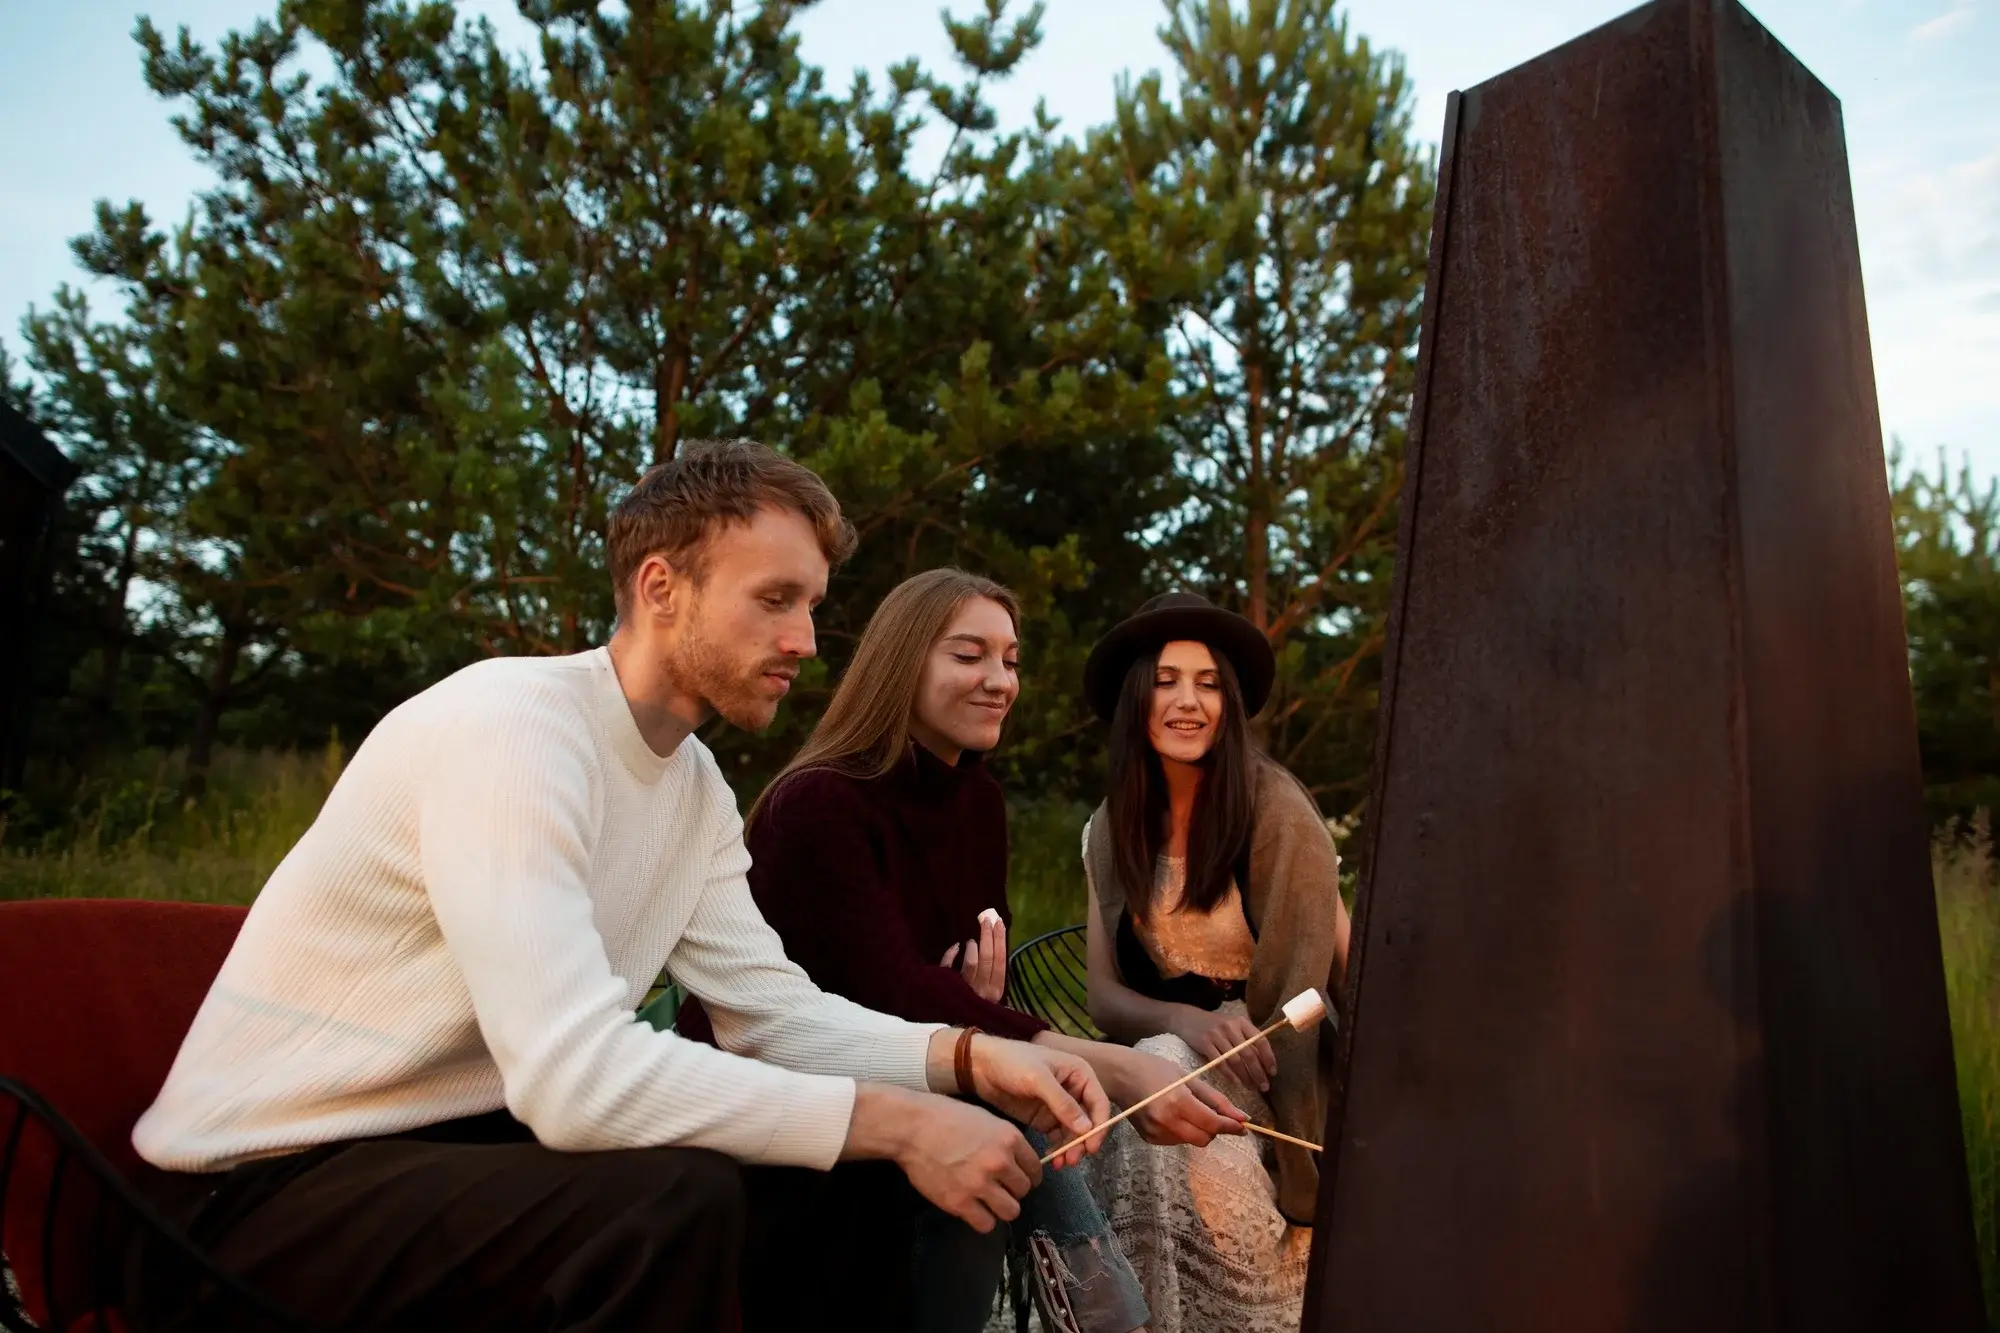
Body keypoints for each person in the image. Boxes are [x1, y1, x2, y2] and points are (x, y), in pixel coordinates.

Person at [124, 440, 1112, 1333]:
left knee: (843, 1179)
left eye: (812, 604)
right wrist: (896, 1116)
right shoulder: (512, 729)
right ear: (659, 586)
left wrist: (969, 1061)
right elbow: (573, 1080)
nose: (807, 640)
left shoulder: (692, 790)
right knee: (674, 1203)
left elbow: (771, 1015)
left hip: (461, 1159)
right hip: (251, 1201)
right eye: (775, 598)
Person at [678, 567, 1246, 1333]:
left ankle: (1102, 1299)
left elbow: (957, 990)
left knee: (993, 1147)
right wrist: (1108, 1062)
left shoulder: (977, 800)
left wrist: (975, 1015)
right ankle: (1106, 1301)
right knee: (994, 1139)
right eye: (969, 655)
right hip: (785, 1125)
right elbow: (893, 989)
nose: (999, 681)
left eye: (1010, 660)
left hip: (922, 1082)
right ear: (904, 661)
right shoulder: (817, 804)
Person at [1077, 591, 1353, 1333]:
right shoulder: (1108, 829)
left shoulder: (1278, 810)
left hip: (1278, 1059)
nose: (1188, 700)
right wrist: (1183, 1019)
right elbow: (1105, 997)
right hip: (1171, 1054)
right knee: (1154, 1073)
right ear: (1138, 698)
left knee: (1160, 1083)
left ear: (1229, 705)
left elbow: (1338, 971)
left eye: (1207, 683)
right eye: (1167, 680)